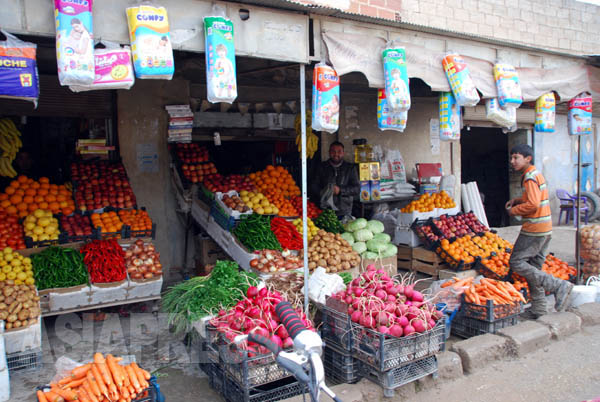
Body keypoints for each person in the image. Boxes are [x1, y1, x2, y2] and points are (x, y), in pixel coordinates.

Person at [505, 144, 573, 319]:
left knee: (516, 262)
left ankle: (558, 285)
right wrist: (519, 200)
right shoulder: (536, 174)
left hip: (534, 228)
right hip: (545, 228)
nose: (512, 161)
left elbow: (533, 204)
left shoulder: (529, 177)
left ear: (528, 159)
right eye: (512, 157)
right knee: (534, 268)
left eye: (516, 157)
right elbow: (536, 198)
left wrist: (514, 211)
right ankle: (539, 308)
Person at [311, 141, 359, 218]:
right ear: (329, 152)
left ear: (343, 153)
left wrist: (340, 190)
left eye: (339, 151)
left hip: (344, 211)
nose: (336, 154)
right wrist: (324, 192)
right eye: (333, 151)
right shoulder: (322, 167)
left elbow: (356, 189)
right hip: (325, 210)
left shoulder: (350, 168)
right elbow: (313, 185)